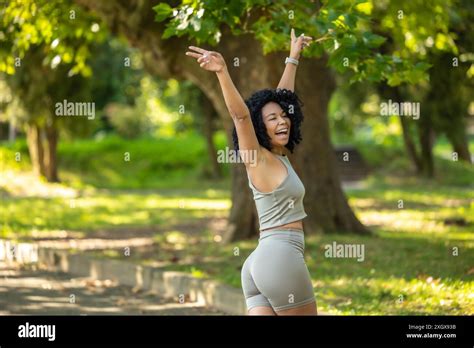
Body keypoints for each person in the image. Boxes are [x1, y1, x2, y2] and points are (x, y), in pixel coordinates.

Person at [186, 28, 316, 315]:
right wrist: (222, 72)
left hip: (260, 263)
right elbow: (241, 116)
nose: (282, 121)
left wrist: (292, 58)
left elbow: (285, 98)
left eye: (284, 116)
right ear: (260, 128)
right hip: (280, 258)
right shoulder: (257, 158)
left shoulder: (278, 156)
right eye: (272, 118)